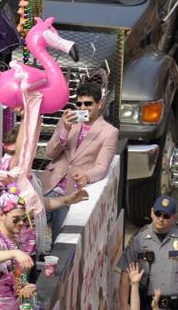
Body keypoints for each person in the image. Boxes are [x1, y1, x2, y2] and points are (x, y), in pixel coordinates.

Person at [39, 82, 118, 235]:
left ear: (100, 103)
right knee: (30, 231)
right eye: (79, 104)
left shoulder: (109, 132)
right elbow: (49, 153)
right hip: (50, 185)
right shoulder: (68, 120)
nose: (83, 108)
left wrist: (87, 176)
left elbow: (102, 166)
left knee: (61, 241)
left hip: (72, 192)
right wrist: (65, 131)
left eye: (88, 104)